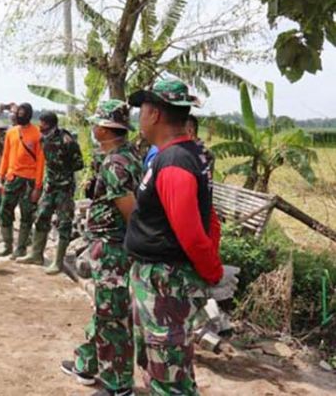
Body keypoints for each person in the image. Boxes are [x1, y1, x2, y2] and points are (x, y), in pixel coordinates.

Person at [125, 79, 235, 395]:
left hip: (165, 282)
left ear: (155, 115)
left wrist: (211, 272)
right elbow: (209, 217)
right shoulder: (181, 154)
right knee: (165, 365)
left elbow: (192, 232)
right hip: (157, 280)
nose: (139, 117)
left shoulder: (174, 162)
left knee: (168, 372)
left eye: (142, 110)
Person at [60, 100, 141, 396]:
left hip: (113, 248)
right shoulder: (129, 155)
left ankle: (118, 384)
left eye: (96, 124)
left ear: (105, 129)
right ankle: (88, 363)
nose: (93, 128)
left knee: (112, 315)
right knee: (105, 310)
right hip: (110, 246)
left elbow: (131, 213)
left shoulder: (116, 164)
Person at [17, 112, 83, 274]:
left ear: (49, 124)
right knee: (41, 216)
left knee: (64, 222)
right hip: (50, 186)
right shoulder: (43, 138)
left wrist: (64, 169)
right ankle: (36, 254)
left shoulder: (67, 140)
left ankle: (58, 262)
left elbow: (79, 163)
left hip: (64, 188)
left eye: (42, 123)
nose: (39, 126)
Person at [0, 103, 45, 259]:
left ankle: (20, 249)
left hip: (29, 181)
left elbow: (41, 162)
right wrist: (1, 180)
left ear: (28, 114)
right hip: (11, 178)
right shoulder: (11, 133)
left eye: (22, 112)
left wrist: (38, 187)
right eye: (17, 112)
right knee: (3, 211)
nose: (19, 115)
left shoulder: (37, 134)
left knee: (26, 215)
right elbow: (5, 156)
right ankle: (7, 245)